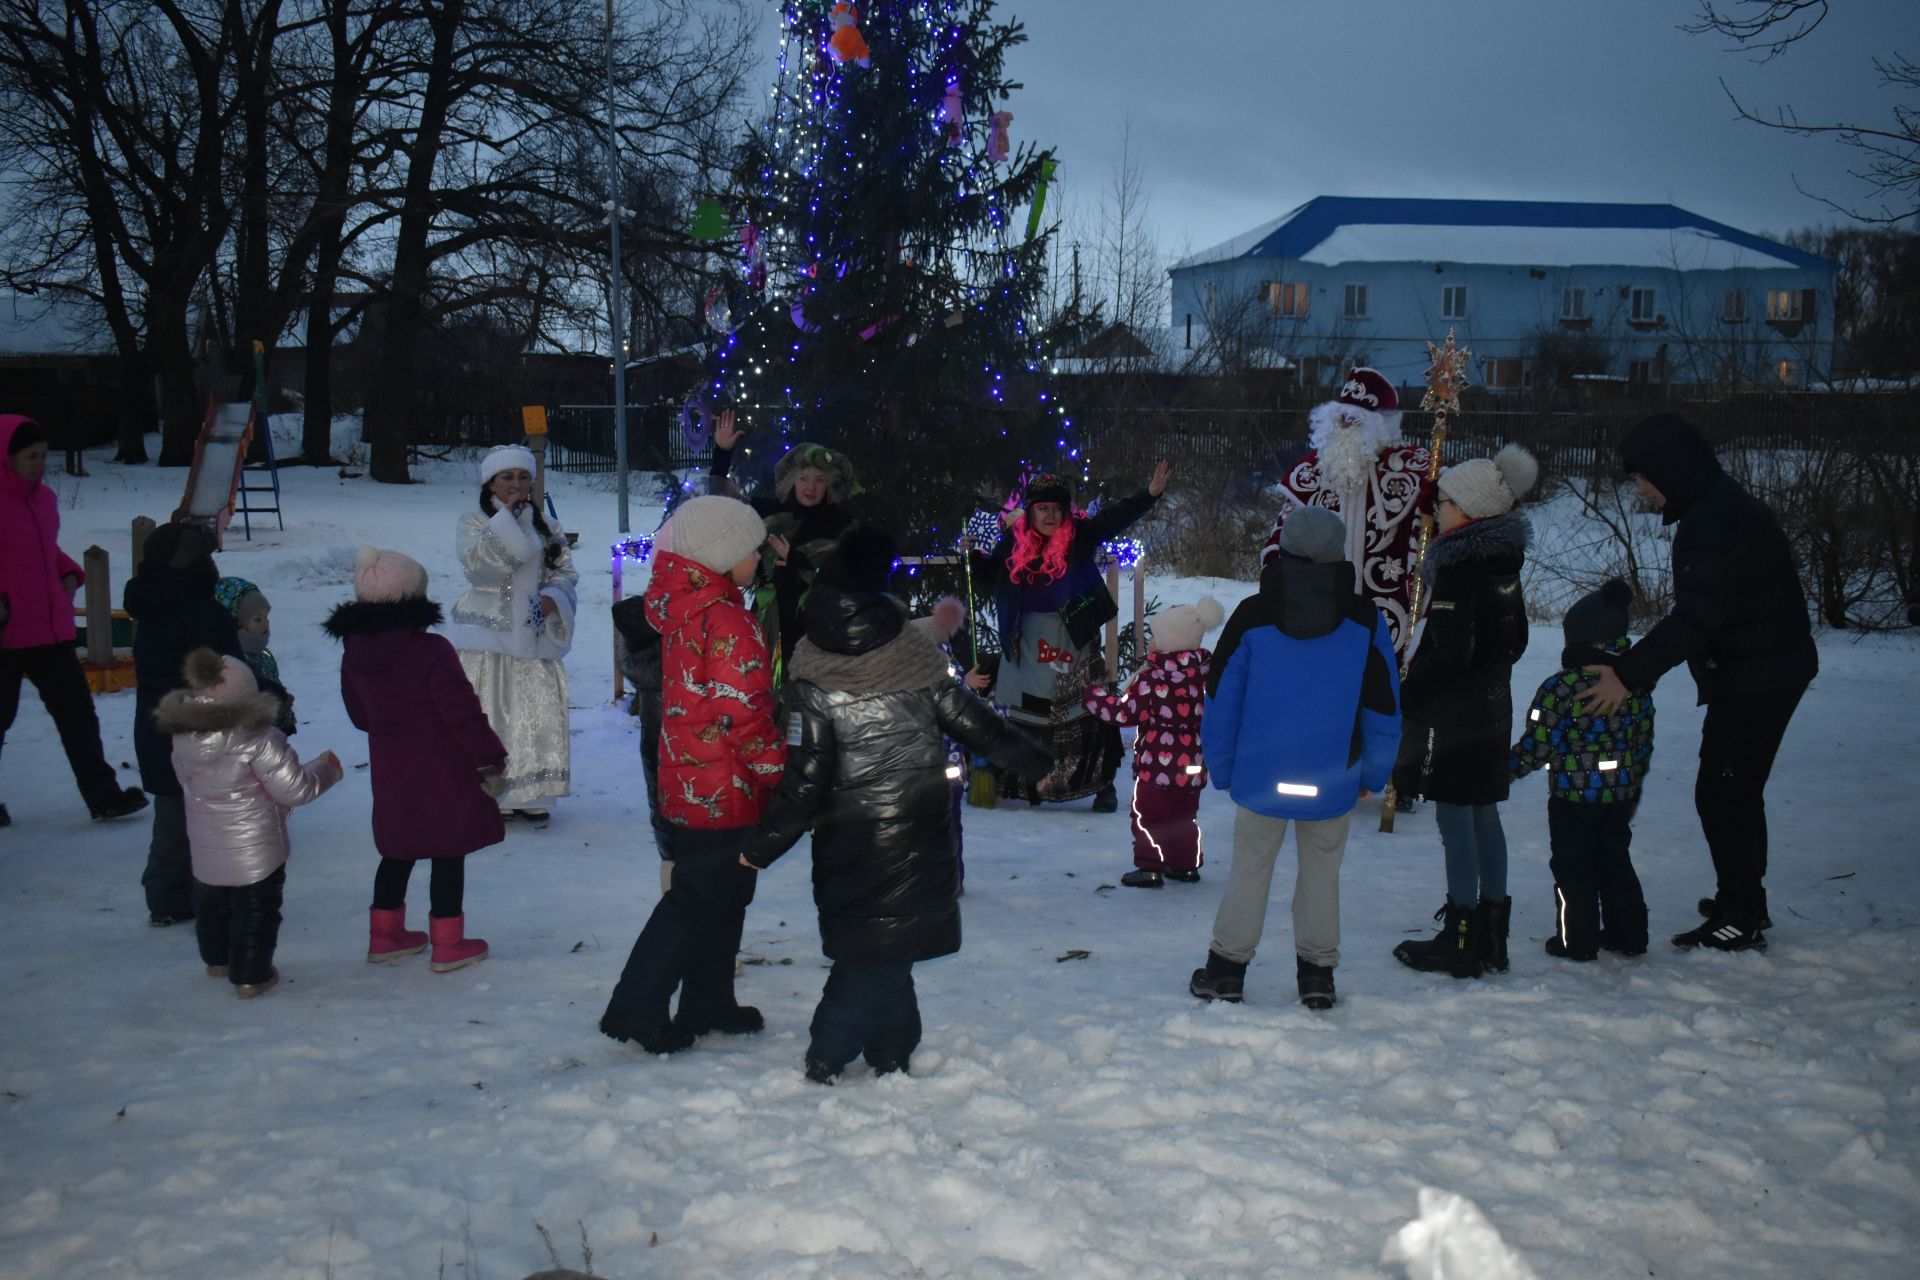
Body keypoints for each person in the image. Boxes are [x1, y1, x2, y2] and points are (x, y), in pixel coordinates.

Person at [741, 526, 1051, 1084]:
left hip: (847, 837)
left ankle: (893, 1048)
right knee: (878, 954)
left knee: (880, 945)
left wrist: (764, 843)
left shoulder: (811, 667)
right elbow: (979, 726)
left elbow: (803, 777)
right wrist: (1040, 764)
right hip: (913, 832)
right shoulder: (916, 657)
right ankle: (828, 1052)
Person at [1579, 413, 1818, 952]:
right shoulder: (1715, 505)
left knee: (1725, 792)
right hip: (1761, 666)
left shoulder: (1713, 521)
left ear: (1670, 468)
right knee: (1730, 789)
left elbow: (1696, 619)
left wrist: (1628, 675)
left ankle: (1741, 913)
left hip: (1762, 673)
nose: (1640, 488)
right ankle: (1742, 897)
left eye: (1642, 476)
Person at [1191, 508, 1401, 1010]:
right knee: (1321, 874)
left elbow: (1222, 700)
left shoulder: (1251, 615)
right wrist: (1374, 773)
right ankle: (1317, 977)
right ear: (1339, 555)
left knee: (1249, 870)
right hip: (1332, 776)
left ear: (1281, 551)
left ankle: (1225, 972)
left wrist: (1221, 767)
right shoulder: (1364, 619)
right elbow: (1384, 705)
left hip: (1263, 777)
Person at [600, 496, 784, 1055]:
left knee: (725, 897)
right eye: (752, 550)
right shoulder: (728, 618)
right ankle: (636, 1009)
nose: (758, 559)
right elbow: (743, 712)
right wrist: (778, 769)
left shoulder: (684, 609)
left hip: (691, 783)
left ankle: (710, 1001)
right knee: (694, 902)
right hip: (722, 788)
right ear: (725, 555)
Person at [1390, 444, 1537, 980]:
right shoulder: (1503, 564)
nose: (1437, 508)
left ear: (1469, 510)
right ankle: (1492, 937)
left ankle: (1461, 935)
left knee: (1455, 818)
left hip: (1457, 717)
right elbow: (1515, 639)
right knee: (1483, 815)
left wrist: (1411, 695)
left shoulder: (1459, 567)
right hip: (1493, 707)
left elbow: (1449, 653)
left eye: (1445, 500)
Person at [326, 547, 508, 972]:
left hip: (392, 768)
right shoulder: (431, 650)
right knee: (448, 849)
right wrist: (489, 759)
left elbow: (358, 715)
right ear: (413, 597)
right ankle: (448, 943)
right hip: (443, 764)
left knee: (398, 848)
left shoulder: (353, 652)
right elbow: (461, 712)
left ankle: (385, 936)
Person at [967, 462, 1170, 811]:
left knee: (1085, 709)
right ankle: (1019, 781)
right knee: (1026, 710)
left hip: (1073, 636)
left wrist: (1148, 494)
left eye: (1057, 509)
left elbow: (1113, 518)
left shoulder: (1079, 537)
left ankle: (1102, 784)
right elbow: (987, 578)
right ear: (1030, 511)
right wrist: (972, 556)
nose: (1050, 515)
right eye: (1043, 508)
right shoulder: (1012, 542)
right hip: (1025, 640)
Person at [155, 649, 342, 998]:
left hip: (205, 840)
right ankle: (251, 976)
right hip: (255, 847)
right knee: (256, 910)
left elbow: (184, 779)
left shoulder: (184, 736)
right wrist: (327, 769)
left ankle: (217, 960)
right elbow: (295, 789)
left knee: (211, 902)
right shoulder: (259, 739)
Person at [0, 414, 146, 827]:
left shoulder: (42, 499)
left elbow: (42, 550)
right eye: (30, 456)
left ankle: (105, 797)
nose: (38, 464)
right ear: (6, 456)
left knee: (79, 717)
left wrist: (67, 570)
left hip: (51, 630)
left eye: (43, 456)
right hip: (5, 633)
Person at [126, 521, 266, 926]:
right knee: (210, 818)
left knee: (170, 814)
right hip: (204, 728)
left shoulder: (150, 607)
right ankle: (214, 894)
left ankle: (166, 898)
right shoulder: (204, 613)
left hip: (156, 727)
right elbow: (232, 668)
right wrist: (269, 693)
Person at [1510, 579, 1655, 961]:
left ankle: (1578, 940)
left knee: (1573, 866)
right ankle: (1630, 935)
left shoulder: (1562, 688)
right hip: (1620, 795)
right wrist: (1632, 780)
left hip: (1572, 799)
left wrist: (1505, 771)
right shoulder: (1634, 684)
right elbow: (1643, 740)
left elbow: (1539, 744)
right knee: (1615, 861)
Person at [1260, 368, 1435, 656]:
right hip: (1316, 614)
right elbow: (1279, 541)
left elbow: (1430, 540)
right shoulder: (1311, 472)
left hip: (1386, 613)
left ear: (1381, 426)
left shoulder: (1412, 472)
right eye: (1341, 417)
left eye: (1356, 419)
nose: (1346, 424)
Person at [446, 445, 578, 825]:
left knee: (533, 715)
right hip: (487, 637)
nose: (516, 485)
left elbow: (565, 572)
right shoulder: (474, 522)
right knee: (492, 714)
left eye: (523, 478)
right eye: (507, 478)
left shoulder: (547, 525)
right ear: (491, 482)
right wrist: (510, 522)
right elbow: (480, 571)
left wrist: (554, 596)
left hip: (534, 635)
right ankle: (490, 792)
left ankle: (533, 791)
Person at [1084, 596, 1224, 888]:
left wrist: (1093, 698)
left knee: (1149, 817)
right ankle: (1184, 866)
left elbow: (1123, 713)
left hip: (1156, 768)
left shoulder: (1152, 680)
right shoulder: (1206, 677)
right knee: (1184, 817)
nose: (1151, 643)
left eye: (1155, 637)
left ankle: (1150, 867)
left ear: (1167, 643)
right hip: (1193, 768)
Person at [709, 411, 857, 677]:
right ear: (791, 480)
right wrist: (721, 452)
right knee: (765, 699)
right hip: (770, 627)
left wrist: (799, 561)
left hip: (819, 632)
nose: (810, 487)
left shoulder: (841, 524)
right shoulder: (768, 512)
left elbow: (849, 572)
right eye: (803, 478)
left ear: (829, 484)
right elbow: (721, 501)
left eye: (819, 480)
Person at [215, 577, 296, 736]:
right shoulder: (234, 659)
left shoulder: (263, 653)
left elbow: (274, 685)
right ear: (236, 622)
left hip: (273, 731)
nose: (265, 623)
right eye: (257, 619)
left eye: (266, 617)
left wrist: (285, 720)